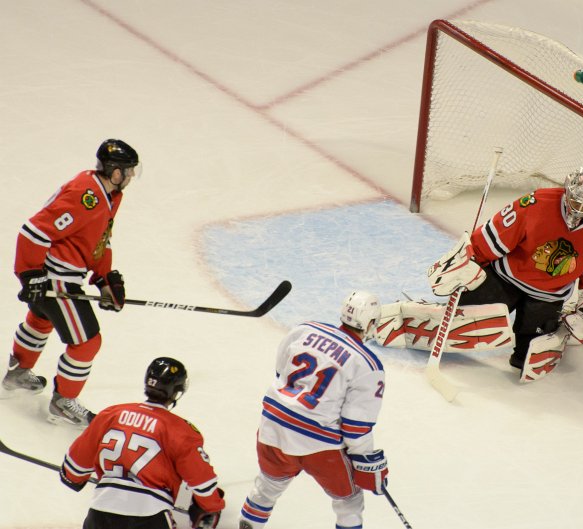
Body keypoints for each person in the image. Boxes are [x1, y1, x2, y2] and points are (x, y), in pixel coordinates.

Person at [427, 167, 583, 380]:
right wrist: (472, 260)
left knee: (527, 358)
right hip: (506, 278)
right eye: (576, 202)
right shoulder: (537, 203)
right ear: (567, 191)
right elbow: (496, 235)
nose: (580, 209)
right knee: (465, 318)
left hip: (548, 296)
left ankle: (551, 328)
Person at [2, 139, 138, 427]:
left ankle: (17, 373)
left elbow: (100, 238)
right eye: (128, 171)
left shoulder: (110, 195)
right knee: (87, 343)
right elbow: (33, 231)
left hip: (59, 275)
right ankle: (63, 402)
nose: (131, 177)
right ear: (115, 172)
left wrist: (103, 278)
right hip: (56, 279)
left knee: (40, 321)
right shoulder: (86, 194)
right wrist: (30, 274)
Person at [239, 291, 389, 529]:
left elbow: (281, 373)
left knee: (266, 488)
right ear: (371, 323)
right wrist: (365, 462)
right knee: (349, 501)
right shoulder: (368, 364)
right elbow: (355, 428)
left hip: (273, 426)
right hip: (318, 445)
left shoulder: (304, 329)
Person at [59, 357, 226, 529]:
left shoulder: (110, 414)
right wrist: (211, 507)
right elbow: (202, 482)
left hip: (99, 514)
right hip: (150, 516)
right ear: (176, 393)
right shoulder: (181, 430)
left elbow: (73, 471)